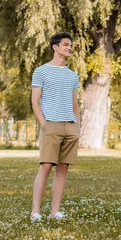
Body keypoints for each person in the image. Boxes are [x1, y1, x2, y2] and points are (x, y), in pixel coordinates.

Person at [30, 32, 81, 222]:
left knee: (63, 168)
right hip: (51, 124)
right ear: (55, 47)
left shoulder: (72, 75)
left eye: (70, 45)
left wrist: (77, 126)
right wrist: (44, 124)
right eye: (65, 45)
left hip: (70, 126)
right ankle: (36, 212)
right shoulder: (41, 71)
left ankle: (55, 212)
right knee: (45, 167)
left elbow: (75, 104)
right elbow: (35, 101)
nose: (69, 48)